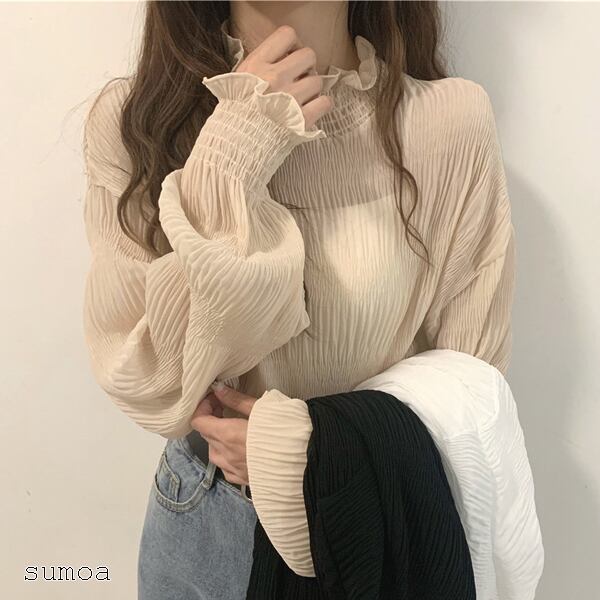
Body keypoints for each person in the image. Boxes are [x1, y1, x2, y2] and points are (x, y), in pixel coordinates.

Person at [81, 1, 516, 598]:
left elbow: (473, 390)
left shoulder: (447, 122)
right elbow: (155, 385)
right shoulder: (135, 120)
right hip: (202, 520)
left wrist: (299, 452)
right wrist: (234, 150)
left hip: (367, 525)